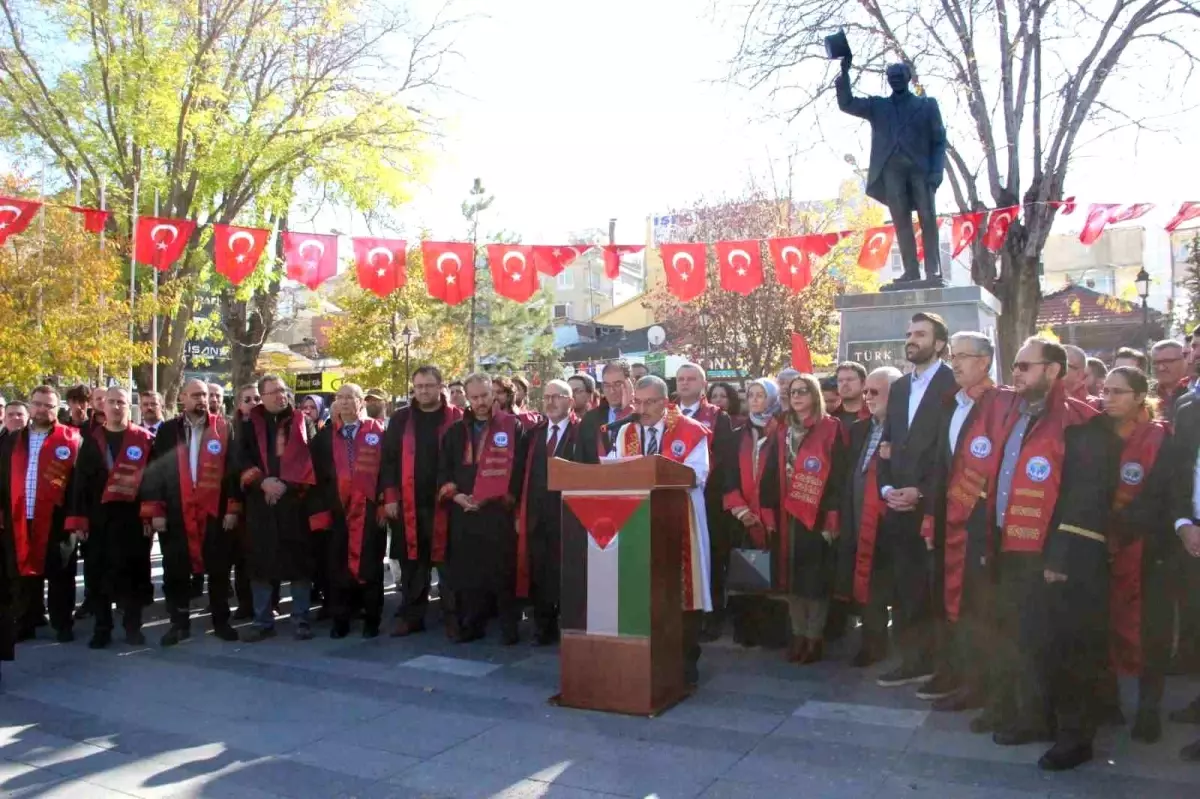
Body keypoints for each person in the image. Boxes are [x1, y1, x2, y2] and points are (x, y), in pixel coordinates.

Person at [950, 337, 1113, 770]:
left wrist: (1061, 558)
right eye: (1015, 366)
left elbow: (1087, 499)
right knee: (1024, 641)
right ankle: (1033, 717)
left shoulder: (1083, 423)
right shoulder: (1013, 415)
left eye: (1025, 366)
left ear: (1053, 370)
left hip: (1055, 558)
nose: (1016, 374)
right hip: (1011, 549)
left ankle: (1075, 736)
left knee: (1067, 648)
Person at [605, 375, 712, 685]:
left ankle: (686, 660)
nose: (642, 409)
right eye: (637, 402)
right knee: (644, 590)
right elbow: (613, 468)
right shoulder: (625, 431)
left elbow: (698, 473)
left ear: (666, 402)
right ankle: (645, 657)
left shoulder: (691, 430)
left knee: (684, 591)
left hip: (680, 519)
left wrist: (657, 471)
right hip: (637, 522)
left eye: (649, 402)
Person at [877, 312, 957, 686]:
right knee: (905, 588)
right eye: (909, 333)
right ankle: (912, 659)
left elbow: (950, 452)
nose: (912, 339)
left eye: (921, 334)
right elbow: (887, 444)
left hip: (934, 507)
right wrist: (887, 489)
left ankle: (942, 664)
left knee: (934, 589)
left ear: (939, 343)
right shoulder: (899, 388)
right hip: (898, 507)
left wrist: (921, 492)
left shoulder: (952, 385)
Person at [1095, 367, 1172, 744]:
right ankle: (1108, 701)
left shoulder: (1160, 437)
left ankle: (1148, 709)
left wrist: (1122, 525)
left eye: (1118, 392)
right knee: (1102, 623)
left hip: (1146, 547)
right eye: (1105, 391)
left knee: (1149, 630)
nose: (1107, 399)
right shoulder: (1097, 432)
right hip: (1100, 542)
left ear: (1140, 396)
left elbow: (1162, 494)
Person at [925, 331, 996, 710]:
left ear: (984, 362)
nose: (955, 363)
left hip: (981, 523)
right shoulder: (952, 404)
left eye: (963, 356)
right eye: (953, 356)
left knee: (978, 605)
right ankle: (959, 674)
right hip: (949, 519)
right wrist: (931, 515)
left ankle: (980, 684)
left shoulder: (999, 404)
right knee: (952, 600)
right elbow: (942, 465)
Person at [141, 379, 240, 646]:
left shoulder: (224, 427)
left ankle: (221, 621)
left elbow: (233, 470)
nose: (202, 399)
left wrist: (232, 508)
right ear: (182, 398)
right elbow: (155, 473)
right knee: (176, 569)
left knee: (219, 569)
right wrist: (155, 511)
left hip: (214, 512)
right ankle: (179, 623)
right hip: (177, 512)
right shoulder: (167, 431)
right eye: (195, 395)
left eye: (205, 395)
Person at [760, 374, 846, 664]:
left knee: (815, 583)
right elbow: (770, 472)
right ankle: (798, 635)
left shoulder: (831, 428)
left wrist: (832, 518)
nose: (796, 396)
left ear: (815, 395)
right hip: (787, 515)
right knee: (792, 581)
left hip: (816, 515)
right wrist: (768, 512)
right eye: (793, 392)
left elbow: (839, 476)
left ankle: (814, 637)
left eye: (803, 391)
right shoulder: (783, 429)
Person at [437, 374, 528, 643]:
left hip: (499, 513)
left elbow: (520, 470)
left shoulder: (513, 426)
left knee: (503, 571)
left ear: (494, 394)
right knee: (468, 573)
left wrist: (495, 497)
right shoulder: (455, 432)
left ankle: (509, 627)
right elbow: (443, 470)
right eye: (474, 397)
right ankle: (472, 624)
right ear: (467, 398)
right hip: (464, 513)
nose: (480, 402)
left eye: (485, 396)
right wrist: (457, 497)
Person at [66, 387, 155, 649]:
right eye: (111, 402)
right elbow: (80, 483)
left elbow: (154, 481)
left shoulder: (144, 439)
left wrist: (150, 517)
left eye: (121, 402)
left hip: (133, 520)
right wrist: (79, 520)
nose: (116, 407)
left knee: (135, 574)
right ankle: (102, 628)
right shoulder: (90, 440)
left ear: (130, 406)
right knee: (98, 575)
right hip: (98, 520)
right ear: (102, 407)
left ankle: (133, 627)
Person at [234, 375, 319, 642]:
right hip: (261, 504)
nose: (281, 396)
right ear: (263, 396)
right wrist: (263, 483)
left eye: (283, 390)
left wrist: (285, 485)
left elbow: (311, 459)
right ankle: (262, 621)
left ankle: (301, 619)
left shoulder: (302, 421)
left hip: (294, 503)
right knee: (260, 565)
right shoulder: (248, 424)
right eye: (274, 392)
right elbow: (240, 459)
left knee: (299, 565)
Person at [382, 365, 463, 638]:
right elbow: (388, 460)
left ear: (441, 386)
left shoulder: (458, 417)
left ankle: (454, 618)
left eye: (429, 386)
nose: (423, 391)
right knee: (412, 565)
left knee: (450, 566)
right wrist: (390, 496)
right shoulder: (400, 419)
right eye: (418, 386)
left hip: (448, 505)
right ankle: (412, 617)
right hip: (409, 504)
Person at [0, 386, 81, 643]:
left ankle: (62, 623)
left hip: (58, 520)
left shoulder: (72, 439)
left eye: (49, 405)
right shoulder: (11, 440)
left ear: (57, 408)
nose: (43, 409)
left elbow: (80, 484)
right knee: (21, 574)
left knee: (61, 574)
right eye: (38, 404)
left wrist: (77, 518)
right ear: (30, 405)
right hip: (19, 517)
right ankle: (26, 621)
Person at [309, 384, 387, 639]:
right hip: (338, 512)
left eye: (350, 397)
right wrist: (321, 513)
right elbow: (316, 479)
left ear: (361, 401)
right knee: (338, 567)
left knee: (371, 566)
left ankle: (372, 619)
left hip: (370, 511)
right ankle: (340, 619)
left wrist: (385, 503)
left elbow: (389, 471)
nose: (344, 402)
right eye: (339, 398)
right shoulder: (325, 437)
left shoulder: (378, 431)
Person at [840, 366, 903, 667]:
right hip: (858, 518)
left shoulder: (906, 429)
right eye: (866, 391)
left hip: (892, 523)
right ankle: (872, 642)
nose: (867, 397)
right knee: (868, 584)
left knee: (893, 586)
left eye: (875, 392)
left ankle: (900, 647)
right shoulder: (859, 429)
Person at [674, 363, 736, 640]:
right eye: (680, 379)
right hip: (672, 500)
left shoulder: (717, 417)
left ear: (703, 384)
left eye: (691, 379)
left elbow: (724, 459)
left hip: (707, 500)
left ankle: (712, 616)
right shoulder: (667, 414)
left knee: (711, 558)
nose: (685, 383)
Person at [517, 379, 579, 645]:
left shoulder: (581, 431)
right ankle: (544, 626)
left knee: (568, 571)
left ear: (570, 401)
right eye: (547, 397)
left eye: (557, 396)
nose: (551, 402)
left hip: (570, 514)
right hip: (537, 515)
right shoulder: (533, 433)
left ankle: (571, 624)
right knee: (540, 571)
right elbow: (520, 473)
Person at [723, 378, 784, 647]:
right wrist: (741, 510)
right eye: (751, 395)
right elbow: (728, 475)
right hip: (743, 517)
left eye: (761, 395)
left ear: (773, 399)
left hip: (775, 516)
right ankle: (747, 631)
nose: (755, 400)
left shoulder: (783, 432)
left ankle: (773, 633)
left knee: (775, 574)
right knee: (746, 573)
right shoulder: (738, 434)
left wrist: (768, 511)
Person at [578, 360, 634, 464]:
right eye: (607, 385)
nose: (612, 391)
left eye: (618, 384)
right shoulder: (590, 419)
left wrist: (628, 410)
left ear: (630, 383)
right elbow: (580, 461)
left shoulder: (643, 416)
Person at [1150, 339, 1189, 423]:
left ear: (1185, 359)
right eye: (1156, 363)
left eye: (1168, 361)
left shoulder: (1195, 392)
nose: (1161, 368)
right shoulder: (1146, 394)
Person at [832, 362, 871, 432]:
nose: (844, 383)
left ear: (863, 383)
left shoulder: (875, 415)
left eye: (850, 379)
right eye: (840, 380)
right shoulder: (831, 417)